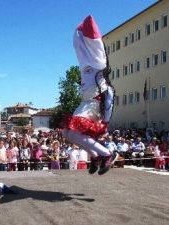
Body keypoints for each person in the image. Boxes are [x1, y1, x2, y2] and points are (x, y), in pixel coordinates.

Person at [62, 15, 118, 175]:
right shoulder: (87, 67)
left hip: (93, 104)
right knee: (66, 132)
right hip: (86, 103)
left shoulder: (101, 77)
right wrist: (78, 34)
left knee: (72, 132)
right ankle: (95, 156)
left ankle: (107, 153)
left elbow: (109, 100)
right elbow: (81, 50)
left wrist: (105, 121)